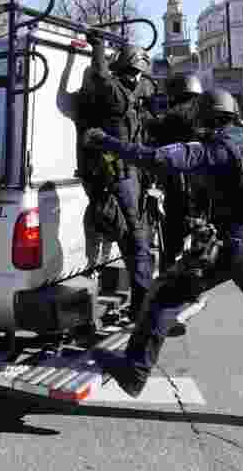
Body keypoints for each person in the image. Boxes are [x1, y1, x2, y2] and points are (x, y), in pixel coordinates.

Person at [82, 89, 243, 429]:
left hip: (234, 245)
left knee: (163, 294)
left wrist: (105, 141)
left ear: (207, 118)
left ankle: (134, 371)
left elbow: (156, 159)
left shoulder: (214, 148)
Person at [80, 31, 155, 318]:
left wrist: (97, 46)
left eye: (138, 74)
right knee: (134, 237)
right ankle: (142, 301)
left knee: (134, 238)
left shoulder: (120, 95)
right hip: (126, 176)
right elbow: (100, 75)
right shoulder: (127, 96)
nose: (137, 79)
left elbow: (99, 75)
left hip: (123, 177)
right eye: (134, 72)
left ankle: (142, 301)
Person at [144, 74, 205, 274]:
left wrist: (142, 110)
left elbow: (153, 131)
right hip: (202, 187)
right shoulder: (206, 113)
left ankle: (170, 276)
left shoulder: (175, 115)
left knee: (172, 236)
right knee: (197, 235)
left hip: (179, 185)